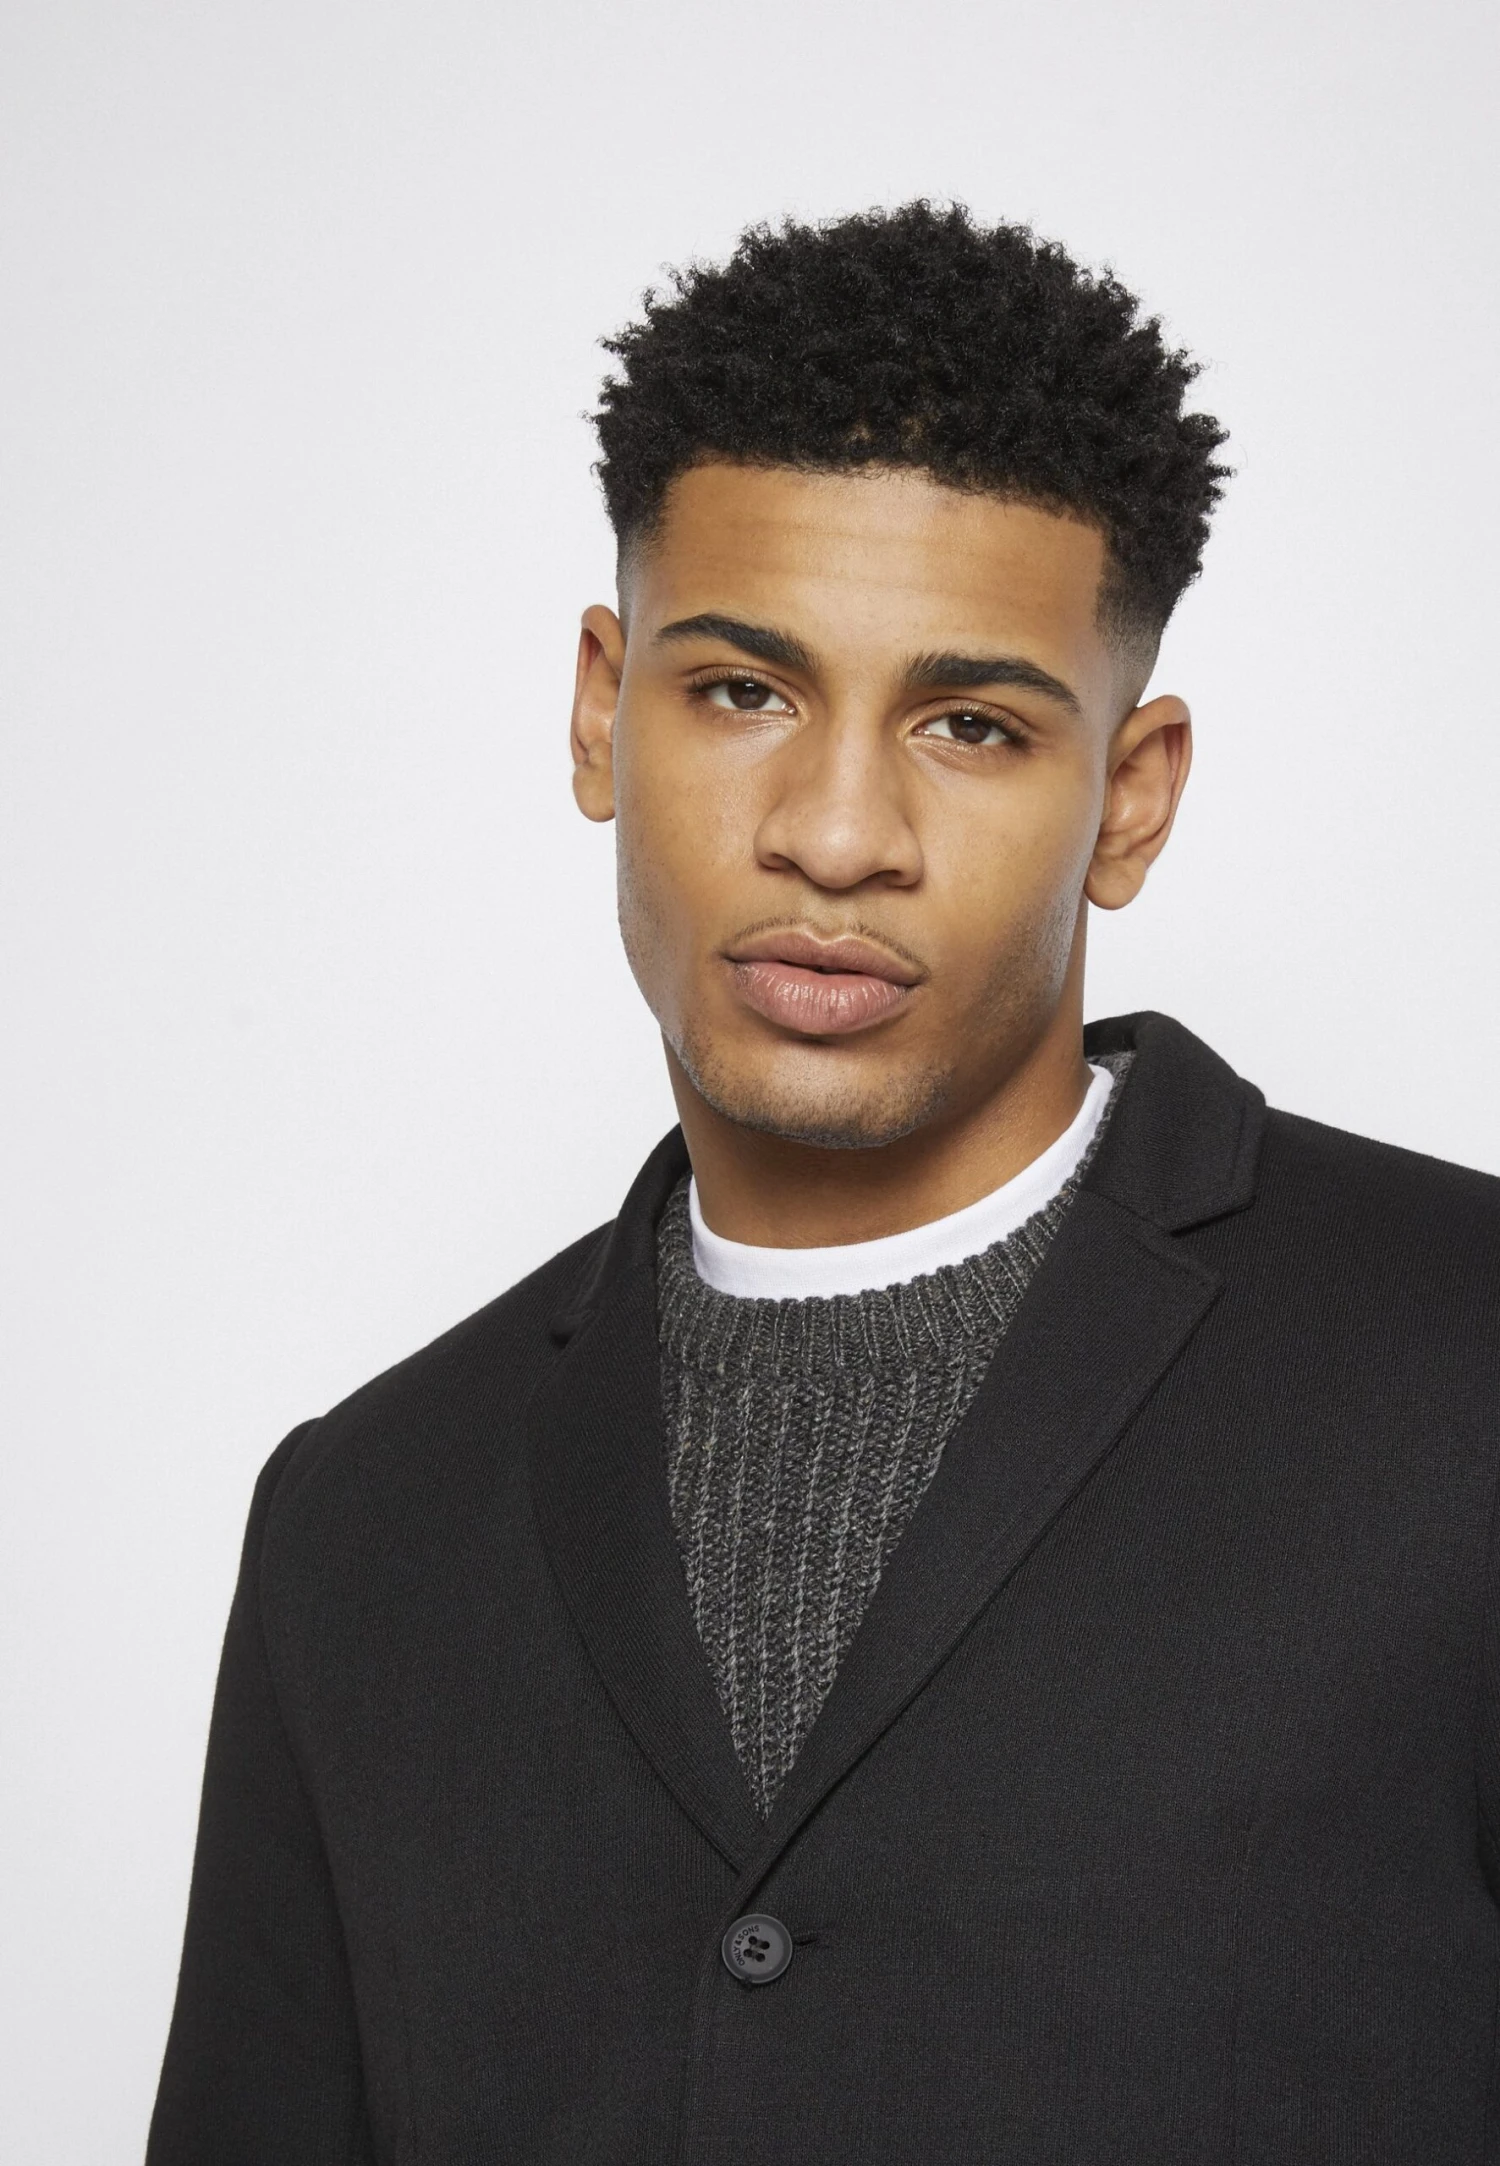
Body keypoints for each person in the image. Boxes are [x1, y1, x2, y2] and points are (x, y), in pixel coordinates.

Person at [146, 203, 1500, 2165]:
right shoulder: (359, 1527)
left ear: (1128, 801)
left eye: (971, 725)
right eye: (742, 692)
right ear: (601, 707)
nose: (838, 833)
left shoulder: (1466, 1372)